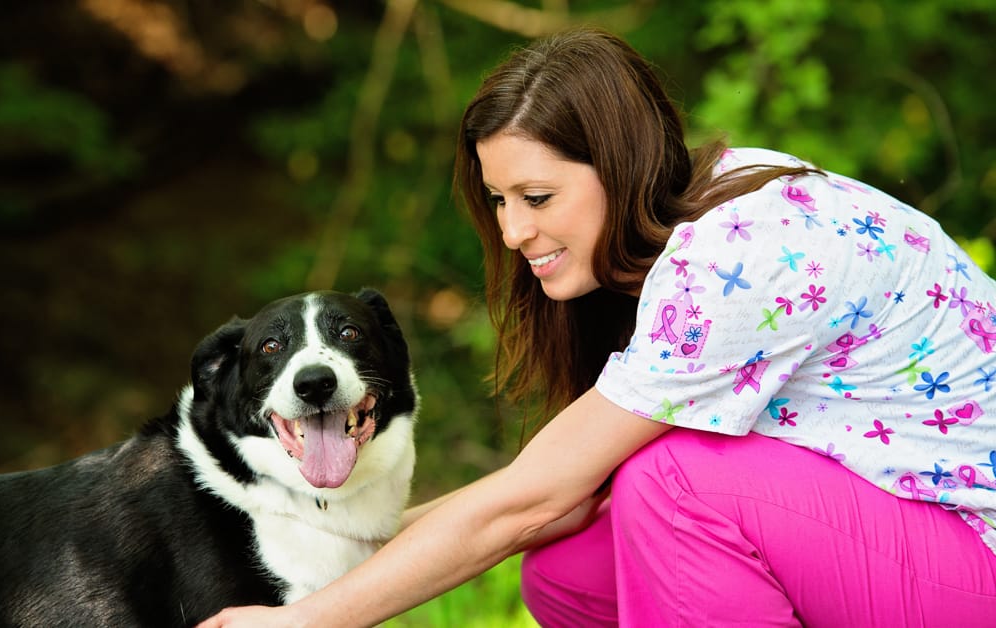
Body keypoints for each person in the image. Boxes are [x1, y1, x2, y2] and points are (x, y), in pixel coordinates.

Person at [201, 27, 996, 627]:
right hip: (904, 524)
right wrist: (354, 551)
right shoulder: (713, 197)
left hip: (977, 554)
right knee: (570, 573)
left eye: (537, 198)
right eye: (500, 200)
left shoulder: (734, 266)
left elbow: (527, 499)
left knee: (674, 483)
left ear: (617, 165)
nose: (513, 232)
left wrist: (307, 619)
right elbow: (559, 500)